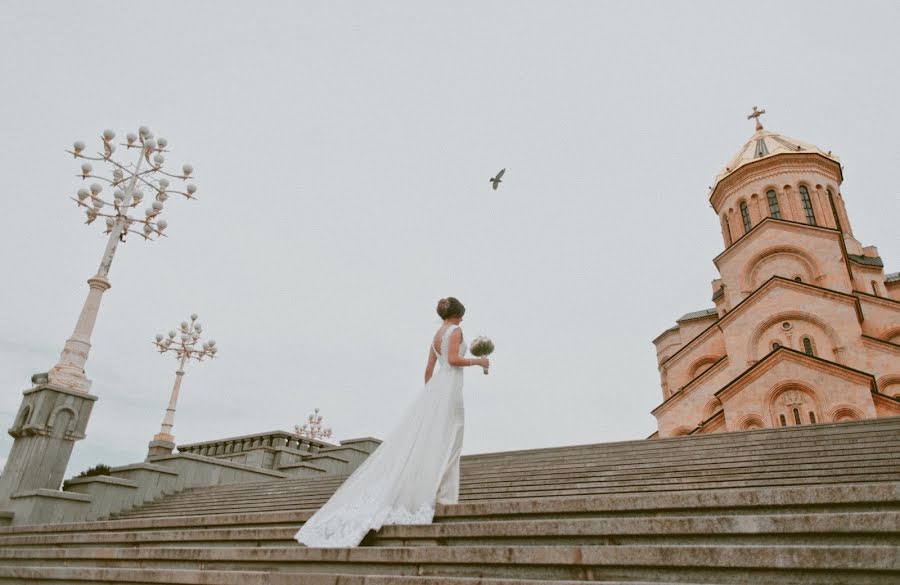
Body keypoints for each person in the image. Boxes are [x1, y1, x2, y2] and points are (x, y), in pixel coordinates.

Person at [294, 297, 489, 547]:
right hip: (449, 389)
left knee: (436, 438)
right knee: (451, 437)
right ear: (459, 313)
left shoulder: (435, 335)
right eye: (462, 313)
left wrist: (430, 396)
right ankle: (445, 497)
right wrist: (478, 361)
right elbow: (452, 360)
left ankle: (441, 492)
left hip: (438, 389)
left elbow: (429, 369)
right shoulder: (456, 330)